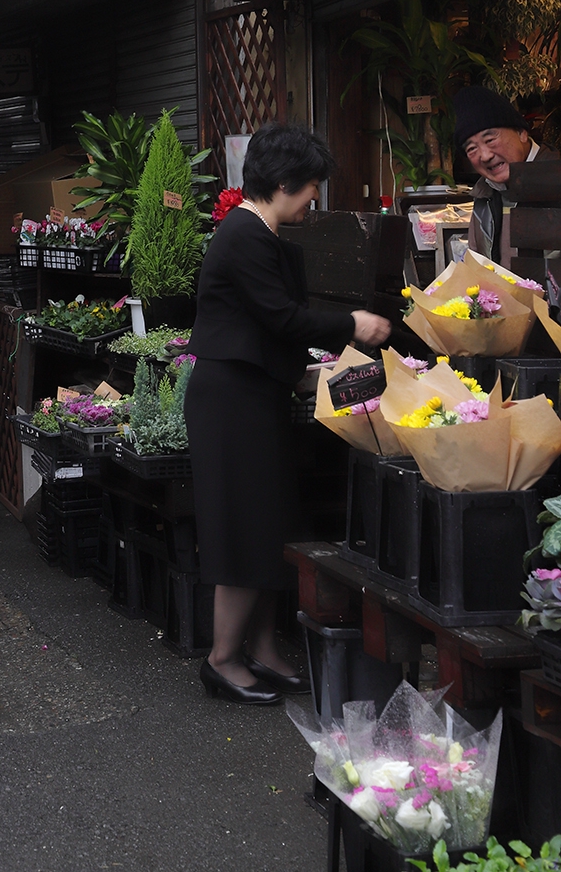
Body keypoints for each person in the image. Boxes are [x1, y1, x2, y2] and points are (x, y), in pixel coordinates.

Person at [185, 123, 392, 706]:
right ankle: (222, 661)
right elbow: (282, 316)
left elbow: (265, 325)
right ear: (282, 183)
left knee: (269, 523)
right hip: (231, 403)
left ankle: (264, 649)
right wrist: (353, 323)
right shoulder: (244, 234)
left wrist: (306, 373)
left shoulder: (258, 230)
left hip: (253, 394)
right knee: (242, 528)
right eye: (311, 187)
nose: (314, 199)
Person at [453, 85, 558, 264]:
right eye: (472, 148)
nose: (485, 155)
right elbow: (477, 264)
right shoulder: (483, 196)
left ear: (521, 133)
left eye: (490, 139)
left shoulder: (555, 178)